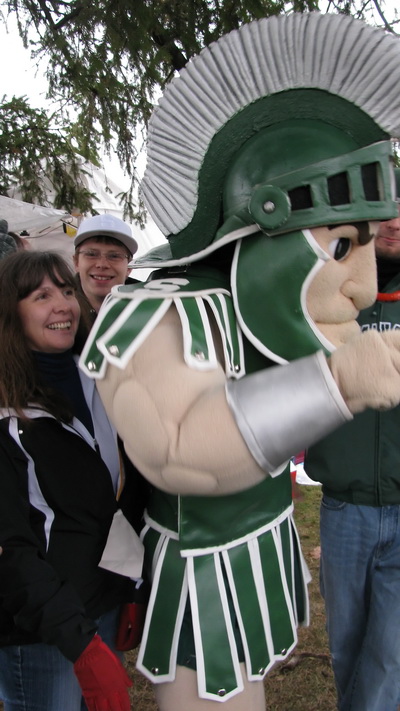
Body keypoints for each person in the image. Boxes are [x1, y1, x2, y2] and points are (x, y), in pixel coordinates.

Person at [80, 13, 400, 711]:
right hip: (200, 576)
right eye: (342, 246)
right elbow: (178, 449)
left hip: (259, 543)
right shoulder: (159, 307)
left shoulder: (252, 307)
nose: (366, 286)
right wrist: (340, 380)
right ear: (261, 226)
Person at [0, 250, 145, 711]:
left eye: (66, 290)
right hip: (40, 632)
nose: (62, 304)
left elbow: (117, 503)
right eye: (41, 296)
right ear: (10, 312)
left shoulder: (101, 381)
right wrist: (76, 643)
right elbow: (11, 548)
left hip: (97, 606)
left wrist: (127, 591)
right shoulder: (6, 414)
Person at [304, 174, 400, 711]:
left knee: (389, 652)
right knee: (346, 645)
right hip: (344, 509)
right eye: (386, 210)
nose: (395, 222)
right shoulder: (324, 302)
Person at [73, 214, 138, 330]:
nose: (102, 264)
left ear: (129, 267)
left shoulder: (149, 309)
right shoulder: (57, 311)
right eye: (91, 254)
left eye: (114, 256)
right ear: (76, 262)